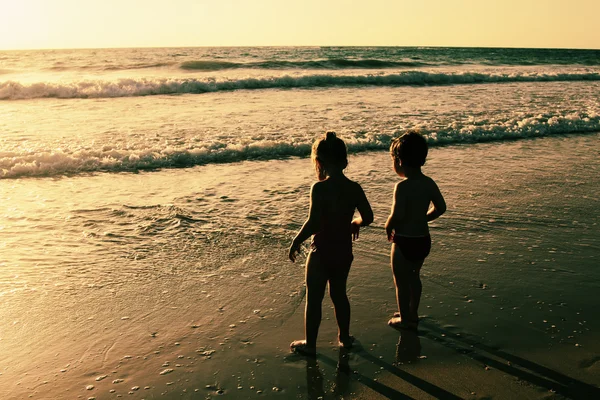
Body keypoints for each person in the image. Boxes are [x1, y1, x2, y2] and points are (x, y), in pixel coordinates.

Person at [288, 131, 373, 356]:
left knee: (314, 299)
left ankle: (311, 344)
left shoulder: (320, 188)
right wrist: (355, 222)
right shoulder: (355, 188)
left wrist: (297, 239)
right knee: (339, 295)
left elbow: (314, 222)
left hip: (321, 252)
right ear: (345, 160)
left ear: (320, 162)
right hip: (343, 252)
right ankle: (344, 338)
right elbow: (369, 217)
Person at [385, 131, 446, 330]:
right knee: (414, 277)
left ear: (400, 161)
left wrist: (388, 225)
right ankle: (412, 312)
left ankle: (405, 319)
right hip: (422, 239)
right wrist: (424, 217)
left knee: (400, 282)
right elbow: (441, 207)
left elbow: (397, 214)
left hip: (404, 240)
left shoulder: (402, 187)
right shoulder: (429, 183)